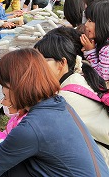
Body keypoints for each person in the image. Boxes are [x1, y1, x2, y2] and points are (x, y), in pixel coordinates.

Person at [0, 48, 109, 176]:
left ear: (15, 86)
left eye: (3, 85)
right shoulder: (58, 105)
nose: (3, 91)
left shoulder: (32, 126)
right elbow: (18, 157)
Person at [35, 32, 109, 165]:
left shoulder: (63, 100)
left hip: (101, 163)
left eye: (41, 62)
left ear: (62, 63)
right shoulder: (80, 76)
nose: (36, 69)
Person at [80, 0, 109, 82]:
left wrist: (90, 52)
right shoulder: (103, 41)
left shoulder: (107, 50)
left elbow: (101, 78)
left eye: (90, 21)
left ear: (103, 23)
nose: (86, 24)